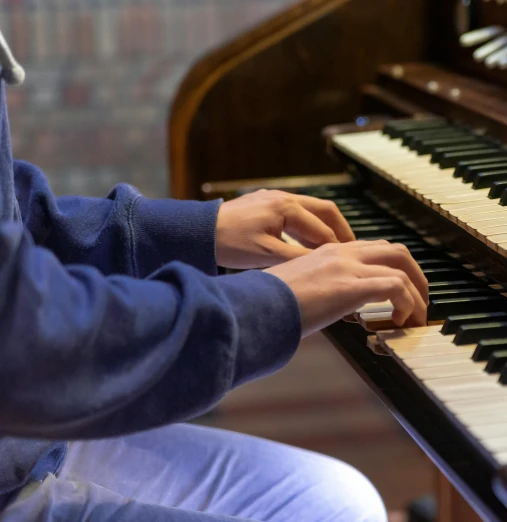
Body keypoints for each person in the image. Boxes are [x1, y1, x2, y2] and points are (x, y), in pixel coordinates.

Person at [0, 29, 428, 522]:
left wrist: (196, 230)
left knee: (338, 500)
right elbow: (22, 342)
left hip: (23, 440)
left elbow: (17, 223)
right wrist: (274, 303)